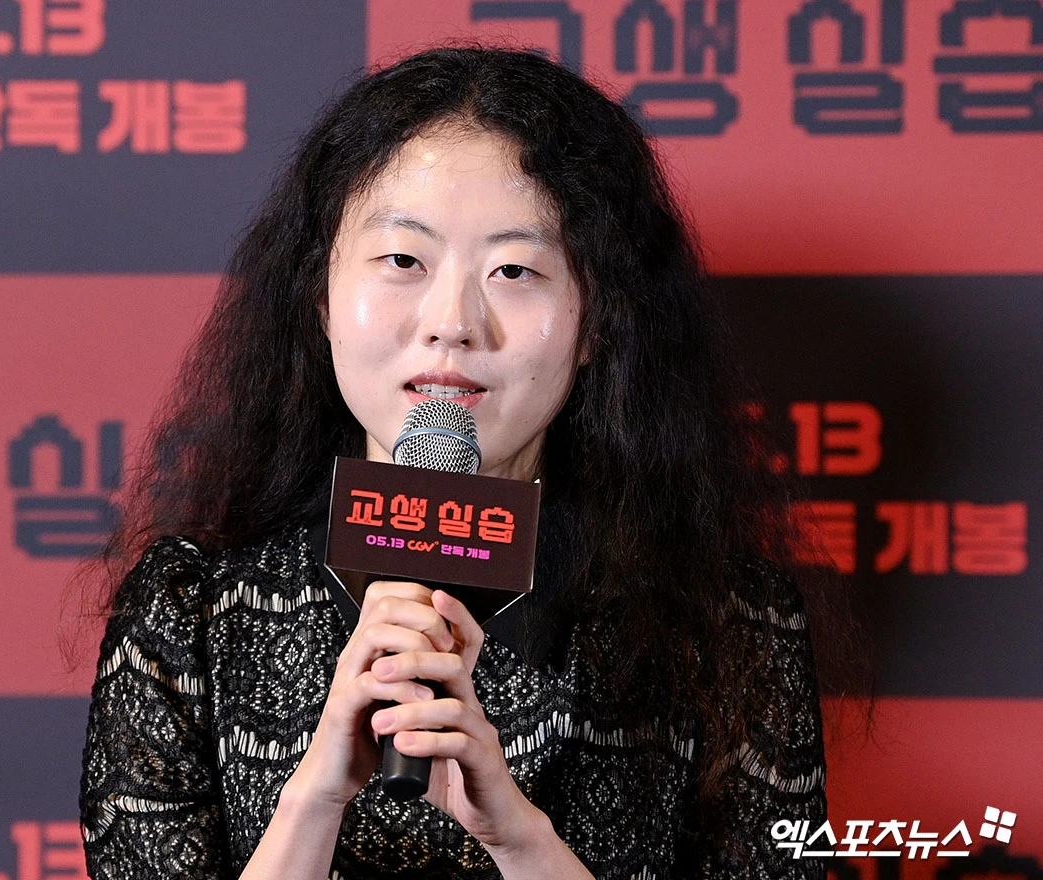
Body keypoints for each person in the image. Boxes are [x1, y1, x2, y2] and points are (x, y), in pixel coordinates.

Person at [79, 45, 855, 879]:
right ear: (321, 297)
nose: (452, 322)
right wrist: (314, 798)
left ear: (598, 323)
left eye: (514, 270)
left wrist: (521, 840)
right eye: (403, 261)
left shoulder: (729, 622)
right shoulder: (192, 610)